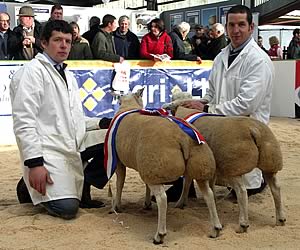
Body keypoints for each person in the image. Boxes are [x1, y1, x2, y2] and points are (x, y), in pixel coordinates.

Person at [168, 5, 273, 200]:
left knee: (245, 185)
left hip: (246, 129)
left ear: (251, 27)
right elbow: (212, 93)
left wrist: (208, 108)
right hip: (222, 125)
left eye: (241, 25)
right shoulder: (221, 57)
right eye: (231, 25)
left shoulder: (259, 60)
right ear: (226, 27)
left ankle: (258, 183)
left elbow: (246, 104)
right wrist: (194, 103)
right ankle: (184, 181)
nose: (236, 30)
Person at [10, 20, 111, 219]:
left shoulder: (67, 74)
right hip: (48, 151)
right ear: (44, 43)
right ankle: (28, 185)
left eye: (67, 41)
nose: (64, 45)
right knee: (67, 209)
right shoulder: (31, 73)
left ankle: (83, 189)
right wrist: (35, 164)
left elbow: (73, 119)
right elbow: (24, 120)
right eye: (57, 40)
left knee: (117, 138)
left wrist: (103, 123)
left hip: (73, 145)